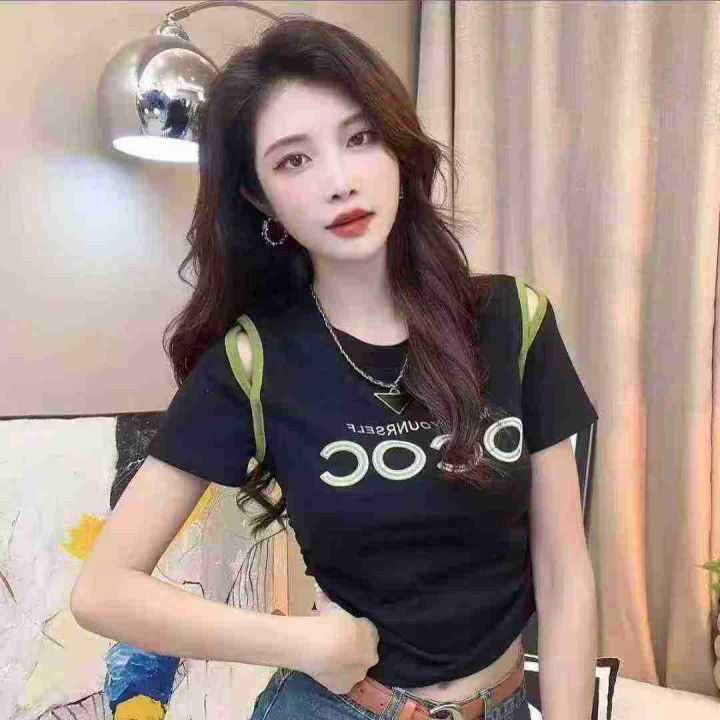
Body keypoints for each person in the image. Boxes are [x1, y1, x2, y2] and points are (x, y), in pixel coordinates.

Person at [70, 15, 599, 720]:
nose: (340, 181)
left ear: (399, 149)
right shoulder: (254, 361)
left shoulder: (515, 321)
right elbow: (102, 592)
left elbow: (564, 574)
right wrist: (301, 642)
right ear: (260, 197)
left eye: (360, 138)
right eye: (294, 160)